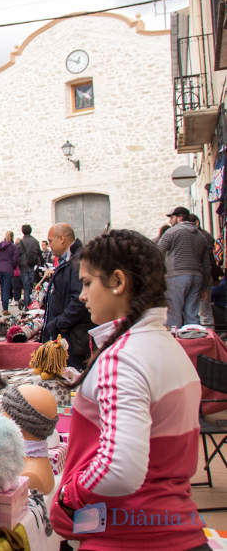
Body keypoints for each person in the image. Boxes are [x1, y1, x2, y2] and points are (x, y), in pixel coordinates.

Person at [51, 230, 206, 550]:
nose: (82, 295)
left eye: (88, 283)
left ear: (118, 282)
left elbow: (120, 468)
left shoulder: (123, 357)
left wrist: (69, 495)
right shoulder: (169, 347)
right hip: (173, 528)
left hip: (128, 535)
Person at [43, 223, 93, 370]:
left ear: (62, 239)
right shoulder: (69, 261)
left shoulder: (77, 262)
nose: (49, 245)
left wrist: (60, 323)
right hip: (69, 334)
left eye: (51, 241)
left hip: (74, 337)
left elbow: (78, 299)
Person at [157, 206, 211, 328]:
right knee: (192, 314)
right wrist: (205, 286)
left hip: (176, 275)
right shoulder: (201, 236)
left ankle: (175, 343)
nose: (170, 221)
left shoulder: (172, 232)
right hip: (197, 277)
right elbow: (206, 265)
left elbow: (157, 252)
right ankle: (193, 342)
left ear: (180, 217)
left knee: (174, 314)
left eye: (172, 217)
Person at [0, 231, 20, 314]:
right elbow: (15, 259)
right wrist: (12, 266)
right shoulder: (13, 247)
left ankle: (3, 305)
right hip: (7, 269)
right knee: (6, 288)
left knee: (2, 287)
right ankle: (5, 308)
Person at [17, 225, 43, 309]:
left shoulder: (20, 242)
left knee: (26, 286)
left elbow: (17, 254)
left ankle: (26, 305)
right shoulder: (35, 241)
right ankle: (29, 304)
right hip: (32, 265)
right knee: (31, 285)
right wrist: (41, 263)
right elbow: (39, 253)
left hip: (23, 265)